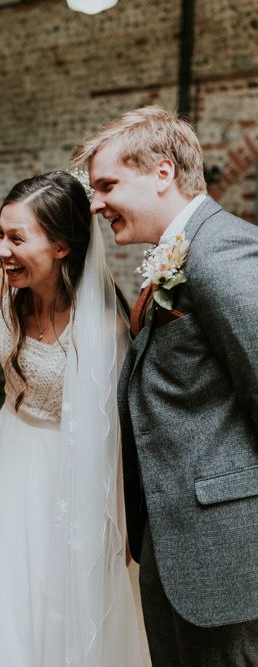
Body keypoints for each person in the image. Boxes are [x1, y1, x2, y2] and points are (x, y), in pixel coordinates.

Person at [0, 171, 143, 666]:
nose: (1, 249)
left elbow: (121, 432)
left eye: (17, 237)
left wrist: (120, 518)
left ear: (62, 246)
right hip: (7, 453)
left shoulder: (104, 326)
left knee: (57, 592)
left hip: (70, 471)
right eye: (0, 234)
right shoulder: (4, 287)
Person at [72, 105, 258, 666]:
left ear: (161, 173)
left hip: (226, 547)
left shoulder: (222, 254)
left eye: (107, 185)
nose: (97, 204)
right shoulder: (178, 254)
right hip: (173, 534)